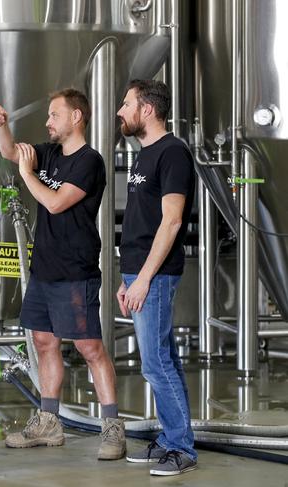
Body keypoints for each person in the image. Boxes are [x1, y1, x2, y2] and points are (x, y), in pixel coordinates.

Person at [0, 89, 126, 460]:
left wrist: (27, 174)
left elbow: (55, 201)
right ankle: (49, 422)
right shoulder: (46, 153)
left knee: (89, 346)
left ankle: (112, 427)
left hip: (74, 269)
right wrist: (3, 126)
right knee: (45, 343)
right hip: (44, 269)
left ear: (76, 117)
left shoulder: (90, 161)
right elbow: (10, 151)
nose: (47, 122)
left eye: (54, 115)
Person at [116, 79, 197, 476]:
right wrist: (127, 276)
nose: (120, 111)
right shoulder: (142, 154)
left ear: (147, 109)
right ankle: (169, 439)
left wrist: (145, 278)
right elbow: (140, 222)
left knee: (154, 364)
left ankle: (181, 448)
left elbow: (171, 221)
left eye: (126, 104)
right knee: (165, 359)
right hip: (140, 270)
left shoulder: (172, 154)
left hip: (157, 273)